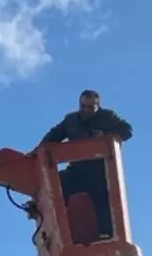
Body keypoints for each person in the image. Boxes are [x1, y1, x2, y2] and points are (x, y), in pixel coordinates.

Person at [40, 89, 133, 240]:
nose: (86, 110)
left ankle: (107, 235)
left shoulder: (107, 117)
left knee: (103, 197)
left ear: (98, 106)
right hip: (78, 170)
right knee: (56, 186)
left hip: (100, 171)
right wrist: (37, 151)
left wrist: (104, 134)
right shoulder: (71, 120)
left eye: (90, 107)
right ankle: (61, 234)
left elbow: (127, 131)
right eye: (83, 106)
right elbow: (53, 135)